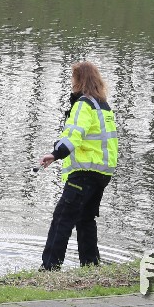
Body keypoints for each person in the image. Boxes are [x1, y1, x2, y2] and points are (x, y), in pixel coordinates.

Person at [38, 61, 119, 271]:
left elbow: (75, 134)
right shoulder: (103, 106)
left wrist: (55, 154)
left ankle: (50, 268)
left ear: (79, 80)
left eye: (73, 79)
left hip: (84, 171)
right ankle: (90, 266)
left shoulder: (84, 104)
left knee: (62, 218)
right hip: (102, 174)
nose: (71, 83)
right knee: (85, 219)